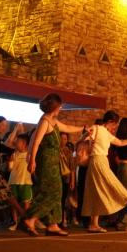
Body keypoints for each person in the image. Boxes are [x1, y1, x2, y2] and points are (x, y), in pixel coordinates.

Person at [21, 93, 86, 237]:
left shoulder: (53, 121)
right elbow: (36, 142)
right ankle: (30, 218)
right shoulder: (45, 121)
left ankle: (53, 224)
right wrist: (32, 160)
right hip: (46, 162)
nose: (61, 108)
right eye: (60, 106)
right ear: (55, 107)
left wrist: (83, 128)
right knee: (52, 191)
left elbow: (67, 127)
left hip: (53, 162)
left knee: (57, 191)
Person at [82, 111, 127, 232]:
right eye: (115, 124)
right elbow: (84, 137)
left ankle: (93, 224)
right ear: (110, 122)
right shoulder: (97, 128)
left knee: (96, 191)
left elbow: (120, 143)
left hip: (101, 160)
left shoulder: (106, 133)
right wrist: (86, 134)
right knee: (114, 184)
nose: (115, 127)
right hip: (97, 160)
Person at [7, 134, 32, 230]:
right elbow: (10, 169)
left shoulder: (30, 154)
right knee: (14, 203)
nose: (16, 143)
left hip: (26, 182)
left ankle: (27, 222)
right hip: (13, 181)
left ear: (24, 143)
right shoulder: (14, 154)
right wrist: (10, 162)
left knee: (26, 204)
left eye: (18, 141)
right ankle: (15, 222)